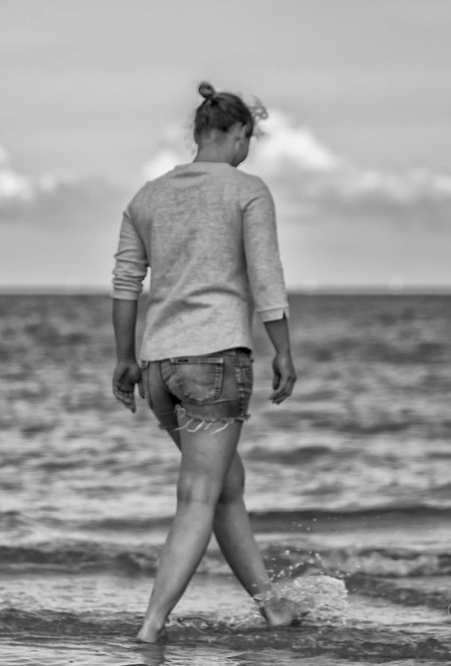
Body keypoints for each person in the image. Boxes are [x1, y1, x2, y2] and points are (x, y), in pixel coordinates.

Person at [110, 82, 299, 642]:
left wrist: (125, 359)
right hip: (215, 361)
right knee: (199, 494)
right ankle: (150, 628)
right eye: (250, 138)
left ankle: (273, 609)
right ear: (238, 133)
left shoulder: (147, 196)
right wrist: (284, 350)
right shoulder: (247, 190)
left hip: (159, 367)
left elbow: (125, 284)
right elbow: (267, 277)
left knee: (224, 486)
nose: (248, 149)